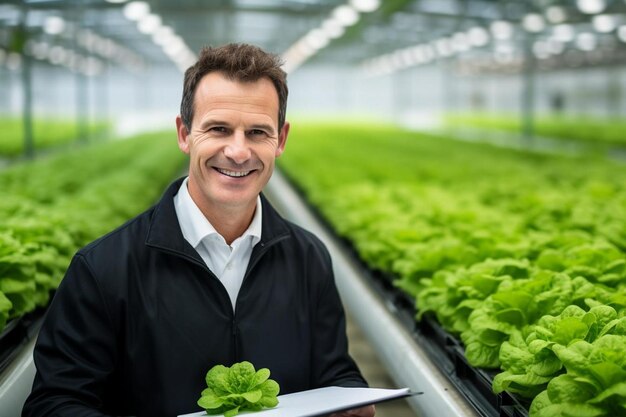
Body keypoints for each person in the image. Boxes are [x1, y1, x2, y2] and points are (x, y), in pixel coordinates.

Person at [22, 43, 375, 417]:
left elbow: (333, 367)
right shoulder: (104, 269)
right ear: (185, 133)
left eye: (257, 132)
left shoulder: (308, 257)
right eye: (219, 129)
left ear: (281, 140)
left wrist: (350, 394)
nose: (238, 152)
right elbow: (55, 403)